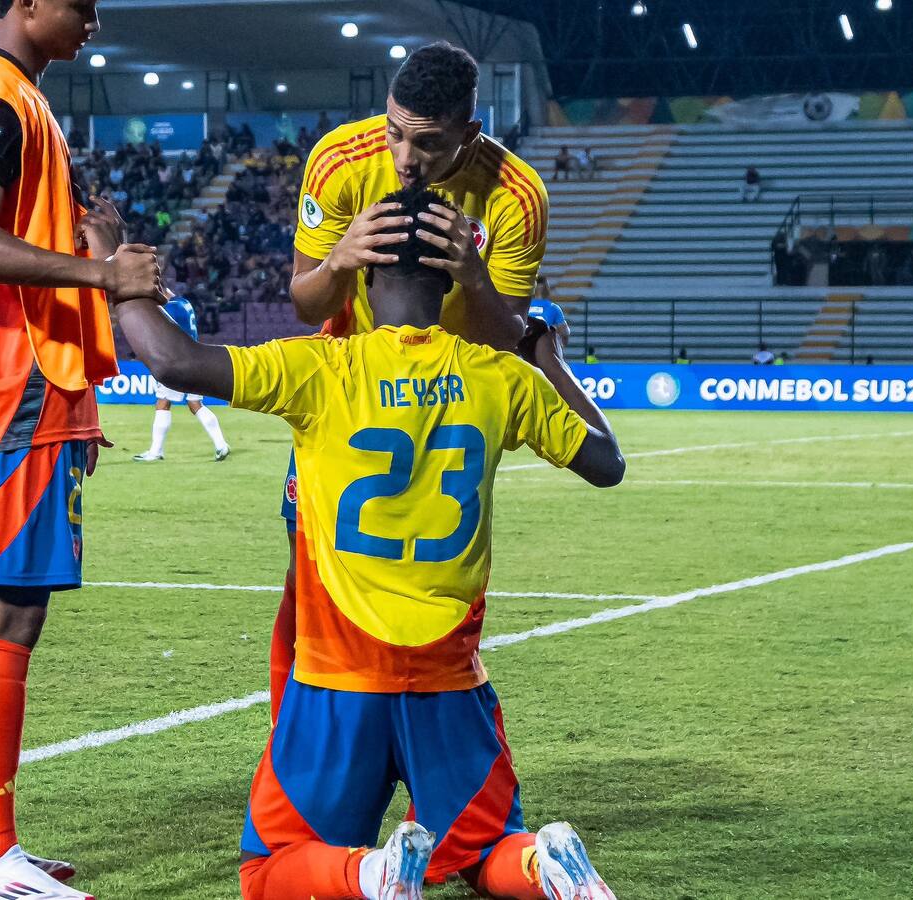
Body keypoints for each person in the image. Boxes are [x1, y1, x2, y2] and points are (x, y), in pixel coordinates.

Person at [106, 186, 623, 900]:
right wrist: (547, 356)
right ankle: (544, 865)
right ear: (449, 281)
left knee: (272, 866)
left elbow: (175, 362)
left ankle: (373, 873)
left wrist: (114, 274)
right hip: (448, 675)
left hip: (337, 676)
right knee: (486, 850)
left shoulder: (321, 370)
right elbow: (607, 463)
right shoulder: (502, 378)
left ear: (365, 274)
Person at [0, 1, 161, 897]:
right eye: (79, 4)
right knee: (5, 619)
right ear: (24, 4)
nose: (93, 16)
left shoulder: (5, 98)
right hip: (12, 395)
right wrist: (104, 270)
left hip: (2, 392)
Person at [280, 40, 548, 721]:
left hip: (448, 407)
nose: (404, 158)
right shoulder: (340, 161)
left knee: (435, 592)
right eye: (395, 132)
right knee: (309, 584)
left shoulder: (516, 196)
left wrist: (474, 277)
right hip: (350, 393)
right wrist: (339, 262)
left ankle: (419, 749)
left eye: (428, 143)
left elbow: (507, 339)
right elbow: (306, 303)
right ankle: (295, 743)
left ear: (469, 132)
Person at [132, 294, 231, 462]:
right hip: (197, 356)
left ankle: (156, 451)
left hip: (178, 360)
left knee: (163, 402)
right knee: (195, 404)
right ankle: (221, 445)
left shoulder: (168, 309)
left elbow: (159, 333)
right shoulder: (184, 303)